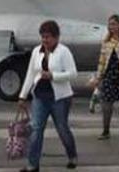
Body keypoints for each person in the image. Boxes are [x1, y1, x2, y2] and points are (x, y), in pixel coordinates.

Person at [18, 20, 79, 171]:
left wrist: (53, 76)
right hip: (40, 96)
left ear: (56, 37)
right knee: (36, 129)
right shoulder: (36, 51)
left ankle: (72, 155)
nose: (45, 40)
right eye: (43, 37)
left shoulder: (64, 51)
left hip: (60, 98)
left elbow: (73, 74)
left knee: (62, 129)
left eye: (48, 37)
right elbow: (31, 74)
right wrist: (22, 96)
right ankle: (33, 165)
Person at [89, 14, 119, 139]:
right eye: (110, 24)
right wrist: (98, 77)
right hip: (109, 76)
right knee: (106, 103)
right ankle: (106, 131)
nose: (111, 27)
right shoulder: (106, 42)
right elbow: (102, 60)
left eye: (114, 24)